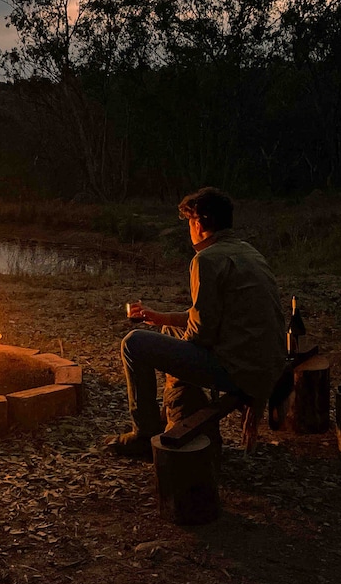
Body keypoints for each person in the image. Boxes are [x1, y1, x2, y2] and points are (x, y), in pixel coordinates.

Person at [106, 187, 285, 459]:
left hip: (240, 371)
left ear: (199, 223)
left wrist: (174, 360)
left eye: (190, 222)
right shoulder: (247, 251)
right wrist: (161, 318)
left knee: (133, 344)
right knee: (168, 331)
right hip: (266, 363)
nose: (189, 229)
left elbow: (200, 334)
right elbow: (212, 317)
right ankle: (176, 409)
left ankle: (144, 434)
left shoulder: (206, 260)